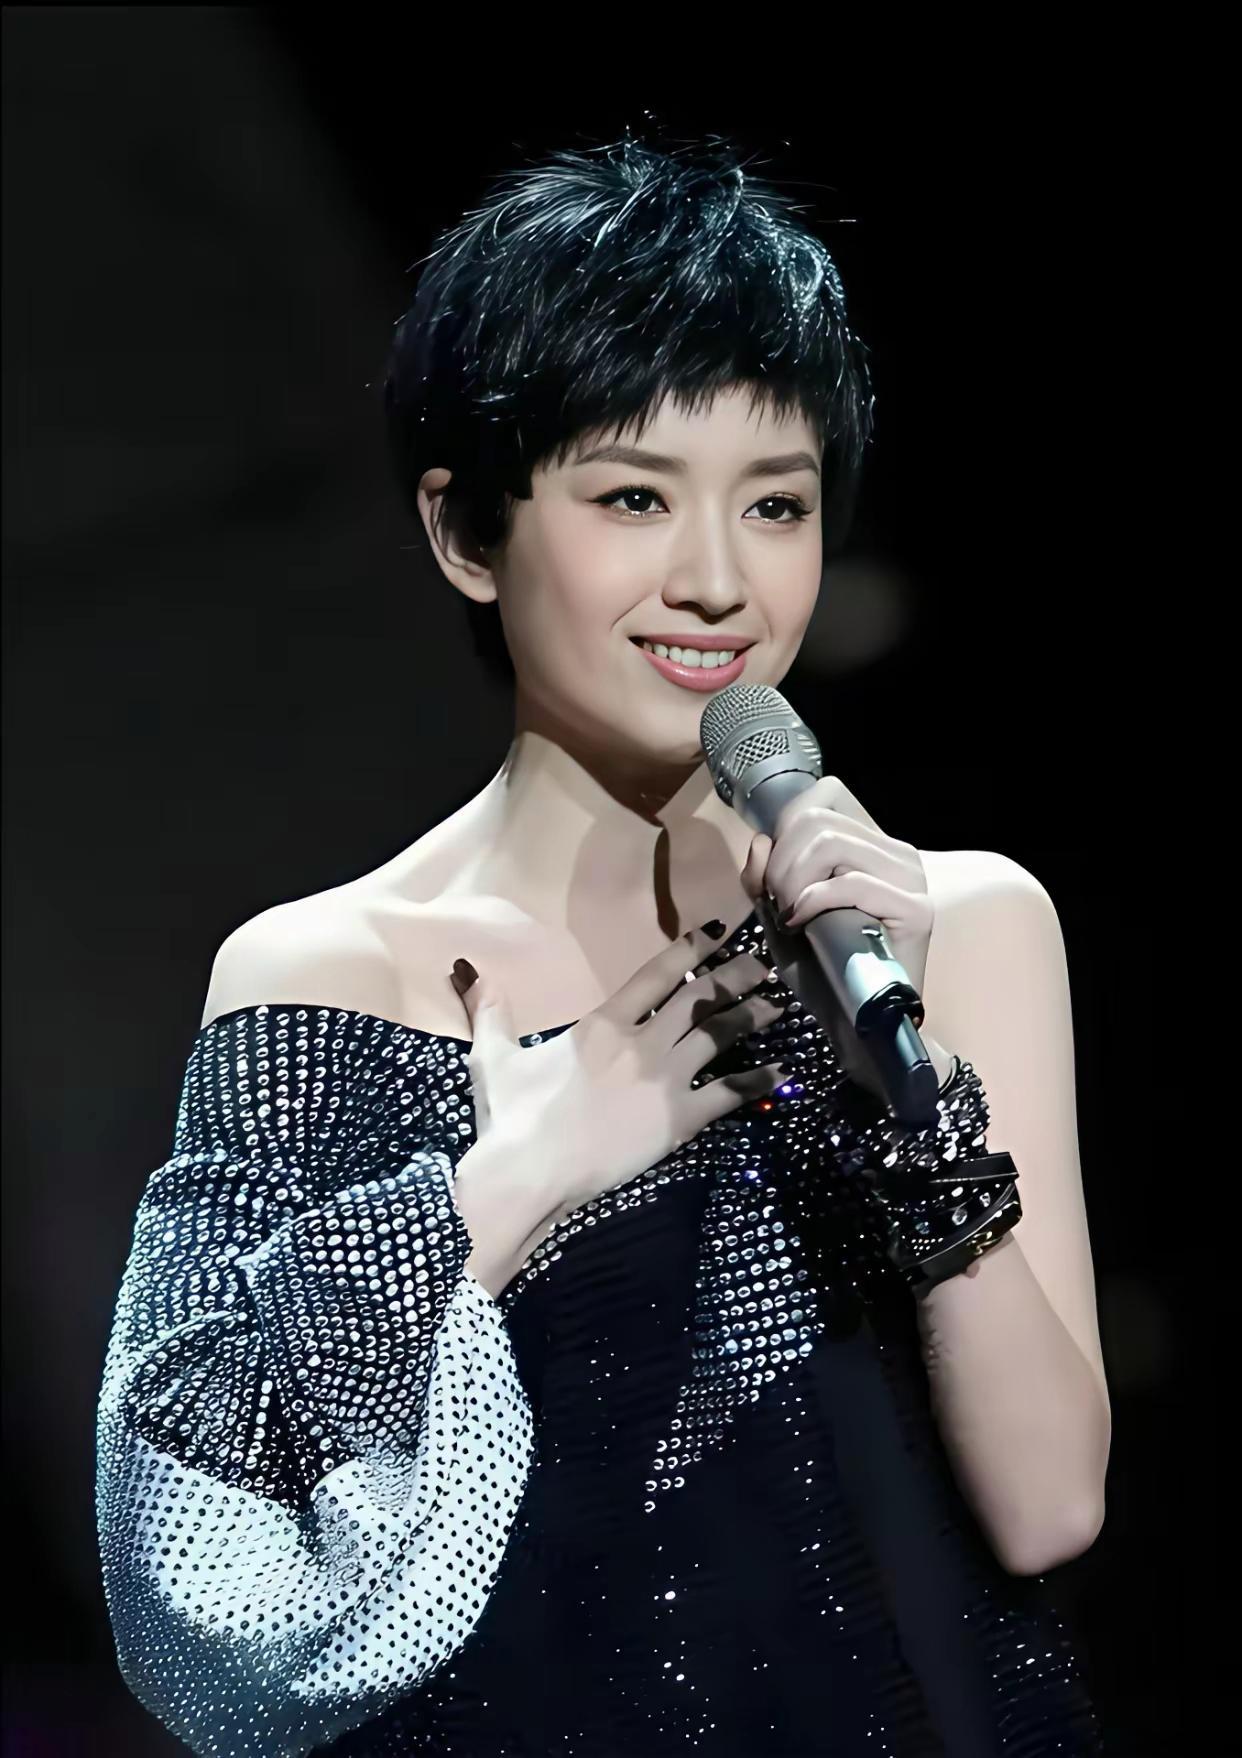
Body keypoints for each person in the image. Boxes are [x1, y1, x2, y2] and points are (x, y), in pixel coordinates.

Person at [96, 134, 1110, 1756]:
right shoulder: (320, 976)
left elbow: (1049, 1504)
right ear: (466, 532)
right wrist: (518, 1177)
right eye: (633, 496)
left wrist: (903, 1096)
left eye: (773, 504)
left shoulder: (949, 924)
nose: (714, 579)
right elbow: (193, 1572)